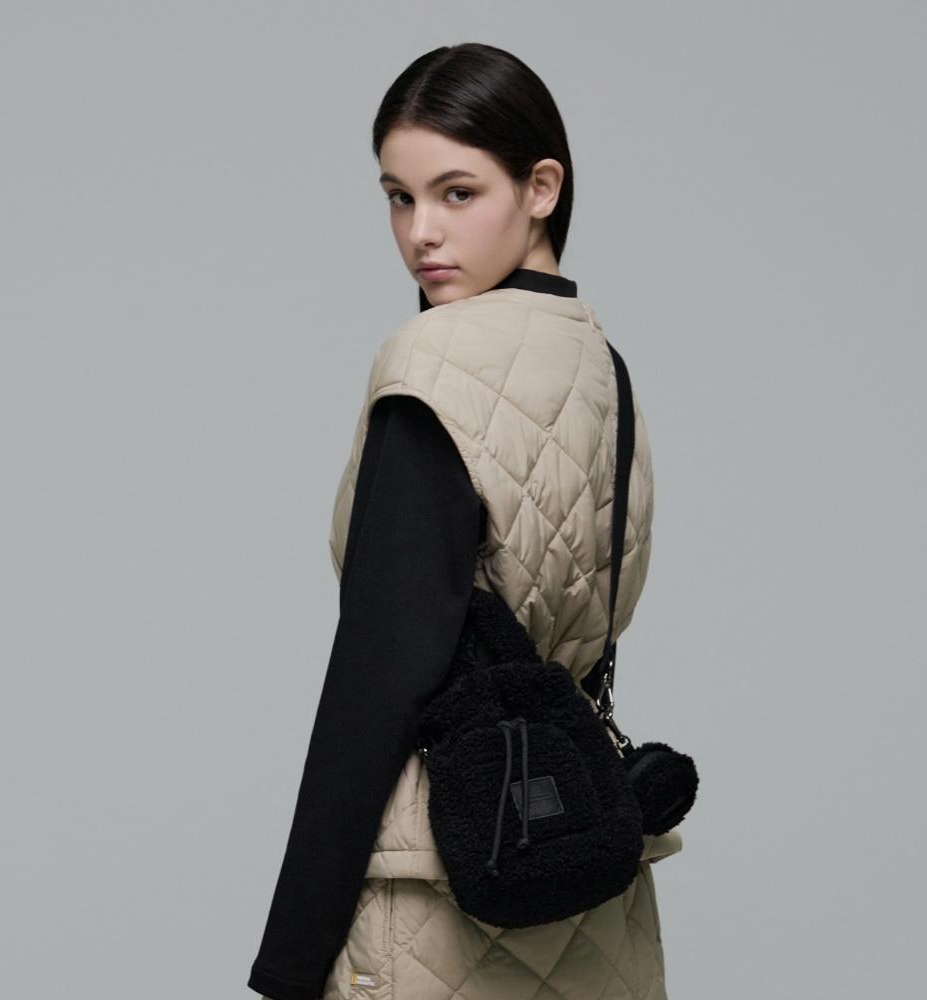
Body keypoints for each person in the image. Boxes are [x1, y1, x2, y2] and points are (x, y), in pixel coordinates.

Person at [248, 41, 683, 1000]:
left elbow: (376, 683)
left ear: (541, 188)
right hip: (589, 874)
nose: (420, 233)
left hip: (439, 902)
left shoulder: (432, 366)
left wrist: (289, 962)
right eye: (398, 198)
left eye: (456, 193)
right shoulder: (603, 366)